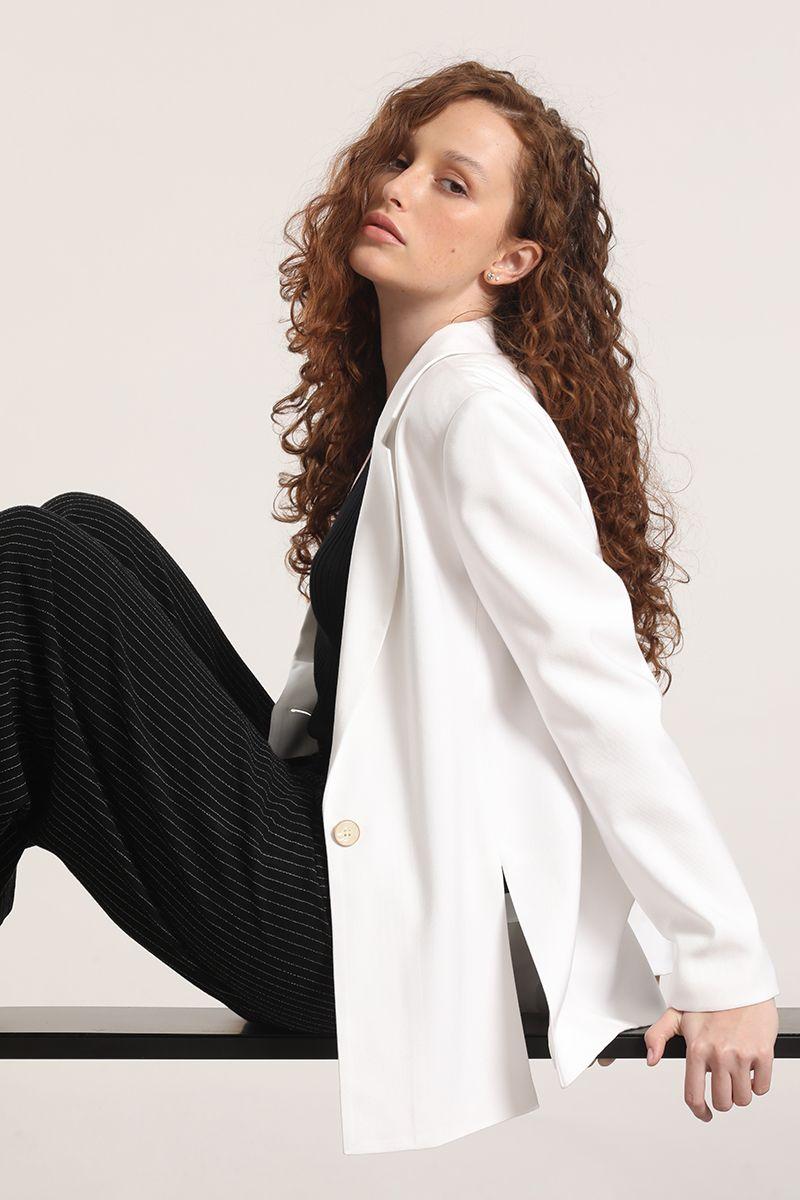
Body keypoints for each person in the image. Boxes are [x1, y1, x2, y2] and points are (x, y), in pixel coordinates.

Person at [0, 61, 778, 1155]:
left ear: (512, 259)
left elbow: (596, 691)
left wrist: (724, 962)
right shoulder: (420, 400)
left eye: (452, 184)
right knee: (84, 530)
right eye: (401, 160)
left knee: (29, 568)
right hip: (347, 866)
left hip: (362, 936)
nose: (400, 186)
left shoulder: (475, 415)